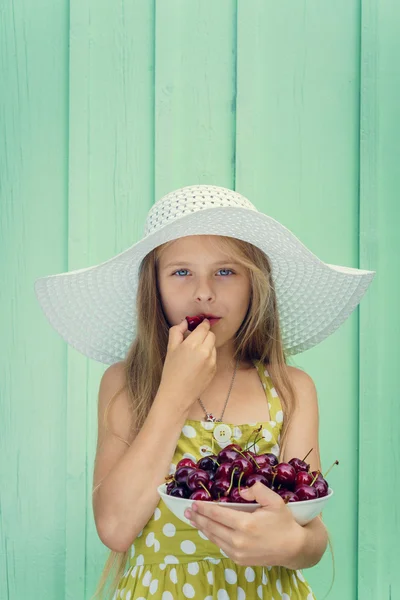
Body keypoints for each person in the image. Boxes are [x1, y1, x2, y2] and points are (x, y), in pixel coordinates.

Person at [34, 184, 375, 600]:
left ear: (255, 285)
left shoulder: (290, 389)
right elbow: (115, 528)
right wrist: (175, 393)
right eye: (181, 272)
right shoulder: (127, 382)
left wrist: (291, 544)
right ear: (153, 288)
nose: (204, 291)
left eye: (226, 271)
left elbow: (312, 534)